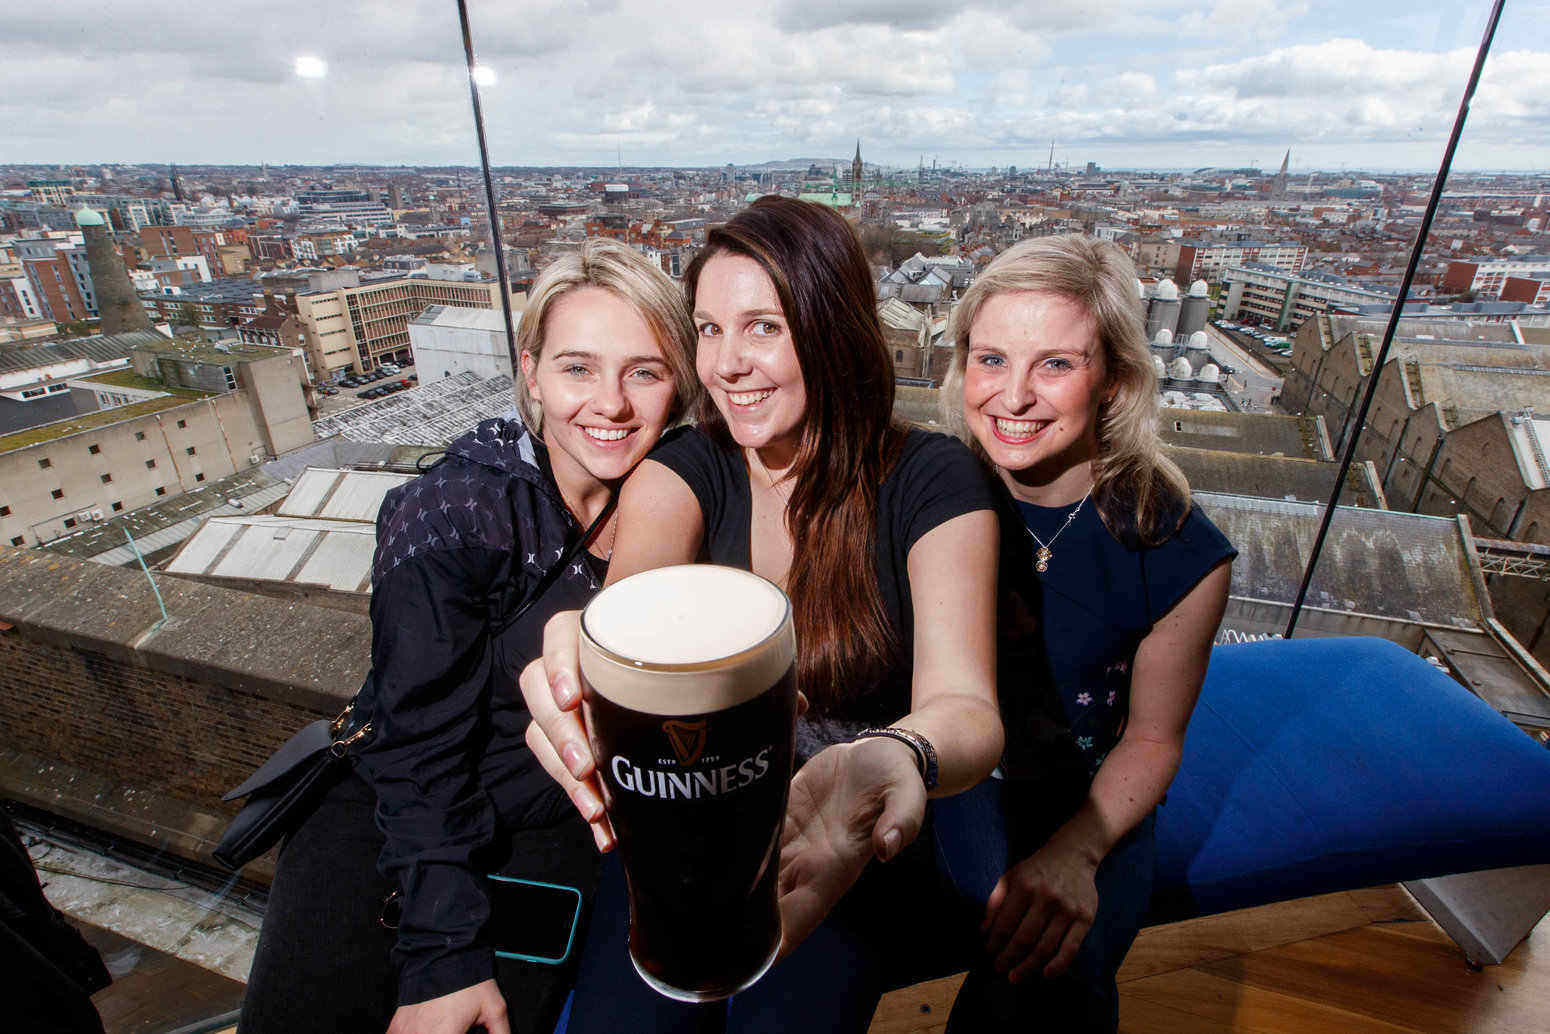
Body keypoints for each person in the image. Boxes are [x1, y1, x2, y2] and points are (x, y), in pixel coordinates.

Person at [518, 195, 1005, 1032]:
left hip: (842, 830)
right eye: (707, 330)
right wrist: (580, 656)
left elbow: (966, 706)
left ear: (833, 330)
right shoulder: (687, 468)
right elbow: (630, 610)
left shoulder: (932, 481)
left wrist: (899, 754)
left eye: (763, 328)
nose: (725, 364)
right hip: (685, 821)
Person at [237, 239, 699, 1034]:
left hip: (542, 847)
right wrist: (443, 954)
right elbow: (416, 751)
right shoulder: (457, 514)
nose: (612, 405)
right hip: (399, 840)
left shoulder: (680, 495)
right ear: (532, 373)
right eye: (578, 368)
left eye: (645, 372)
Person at [931, 233, 1236, 1031]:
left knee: (1054, 969)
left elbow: (1152, 740)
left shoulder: (1176, 548)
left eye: (1056, 364)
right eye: (992, 360)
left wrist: (1079, 850)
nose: (1015, 396)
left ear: (1115, 381)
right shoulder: (925, 493)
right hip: (951, 776)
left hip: (1088, 799)